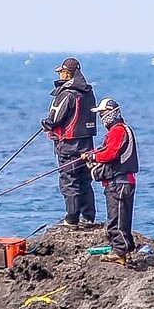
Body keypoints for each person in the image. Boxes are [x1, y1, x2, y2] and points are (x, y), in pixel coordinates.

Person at [41, 58, 97, 227]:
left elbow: (56, 119)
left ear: (68, 73)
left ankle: (72, 218)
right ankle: (88, 217)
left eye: (61, 71)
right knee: (85, 181)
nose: (59, 74)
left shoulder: (67, 93)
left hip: (68, 146)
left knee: (69, 180)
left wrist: (46, 124)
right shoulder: (88, 92)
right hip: (87, 145)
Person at [84, 97, 138, 264]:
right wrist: (93, 154)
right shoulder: (121, 130)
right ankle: (124, 249)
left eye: (102, 113)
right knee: (122, 217)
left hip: (119, 183)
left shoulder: (118, 131)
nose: (101, 118)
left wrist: (93, 156)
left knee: (116, 218)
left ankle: (119, 251)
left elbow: (110, 153)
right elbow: (107, 149)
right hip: (123, 182)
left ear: (110, 114)